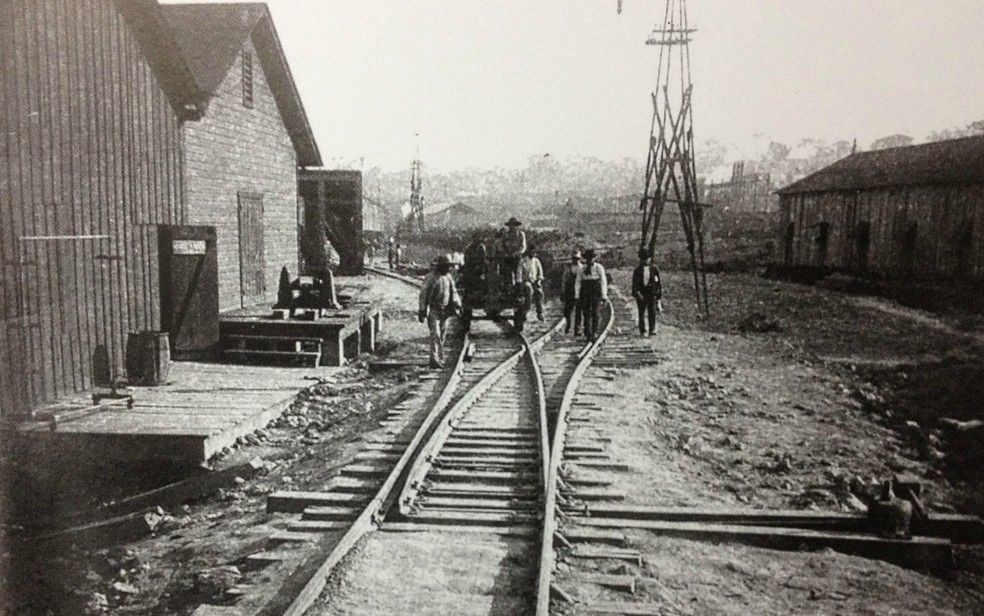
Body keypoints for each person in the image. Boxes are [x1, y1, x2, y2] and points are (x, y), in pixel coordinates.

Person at [419, 255, 460, 368]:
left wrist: (457, 303)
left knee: (442, 335)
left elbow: (454, 291)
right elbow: (423, 294)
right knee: (435, 334)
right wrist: (422, 310)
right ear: (440, 266)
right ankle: (434, 359)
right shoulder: (430, 277)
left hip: (445, 311)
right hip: (433, 310)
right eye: (446, 266)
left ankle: (438, 357)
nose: (448, 269)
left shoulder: (448, 277)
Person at [574, 248, 607, 340]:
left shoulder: (599, 268)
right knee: (586, 312)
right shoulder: (582, 268)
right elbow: (578, 282)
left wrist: (604, 295)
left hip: (595, 291)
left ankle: (595, 331)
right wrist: (577, 295)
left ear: (594, 258)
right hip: (585, 291)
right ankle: (588, 333)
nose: (589, 260)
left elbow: (603, 282)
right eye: (588, 258)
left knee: (595, 312)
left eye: (591, 258)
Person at [631, 248, 663, 337]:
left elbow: (658, 283)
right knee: (641, 313)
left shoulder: (654, 269)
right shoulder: (637, 270)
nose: (645, 261)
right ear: (640, 260)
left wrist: (658, 296)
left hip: (651, 294)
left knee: (652, 312)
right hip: (641, 294)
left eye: (647, 258)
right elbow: (634, 284)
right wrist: (637, 294)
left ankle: (652, 329)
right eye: (643, 259)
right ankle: (643, 331)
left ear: (650, 259)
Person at [520, 245, 545, 321]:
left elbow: (540, 273)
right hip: (526, 281)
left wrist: (539, 280)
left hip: (535, 281)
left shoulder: (536, 261)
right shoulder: (523, 261)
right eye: (531, 252)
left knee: (539, 292)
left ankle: (540, 312)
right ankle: (525, 312)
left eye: (534, 252)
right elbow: (519, 272)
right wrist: (520, 281)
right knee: (528, 291)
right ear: (528, 252)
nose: (533, 253)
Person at [560, 250, 582, 334]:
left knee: (578, 311)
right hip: (569, 292)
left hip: (579, 291)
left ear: (579, 259)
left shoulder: (582, 268)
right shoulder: (568, 269)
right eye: (574, 258)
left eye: (577, 258)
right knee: (567, 311)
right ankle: (568, 324)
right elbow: (564, 281)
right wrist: (563, 291)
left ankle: (577, 328)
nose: (575, 260)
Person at [501, 217, 527, 285]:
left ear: (516, 226)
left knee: (518, 275)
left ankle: (518, 292)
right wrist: (505, 252)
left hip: (517, 258)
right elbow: (502, 245)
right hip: (507, 257)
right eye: (510, 225)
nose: (512, 226)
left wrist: (517, 253)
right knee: (507, 275)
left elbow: (523, 246)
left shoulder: (521, 234)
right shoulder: (505, 234)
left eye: (513, 225)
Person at [463, 232, 488, 297]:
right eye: (475, 239)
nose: (476, 240)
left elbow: (483, 259)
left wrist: (481, 268)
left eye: (477, 239)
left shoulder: (481, 247)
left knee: (480, 282)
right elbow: (466, 259)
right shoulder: (469, 247)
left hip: (479, 268)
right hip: (471, 268)